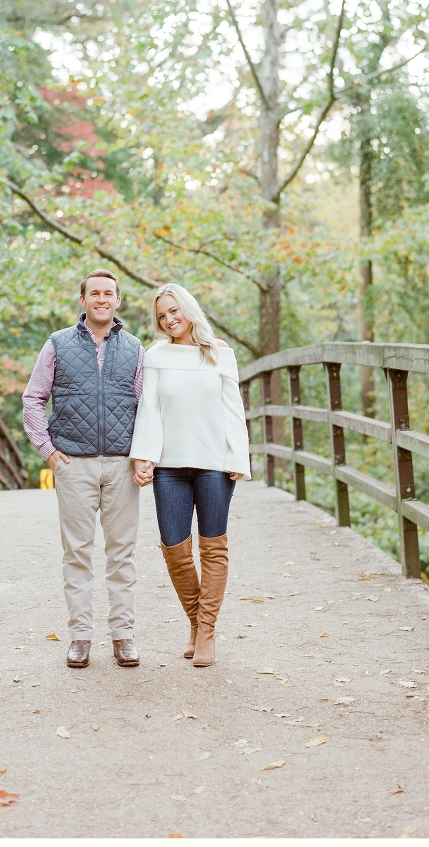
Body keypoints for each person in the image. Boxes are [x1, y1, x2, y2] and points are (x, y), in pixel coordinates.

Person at [22, 270, 144, 669]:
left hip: (122, 465)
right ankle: (80, 637)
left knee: (122, 554)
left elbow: (148, 409)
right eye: (95, 293)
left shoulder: (135, 348)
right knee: (77, 554)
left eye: (109, 293)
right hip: (74, 465)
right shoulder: (57, 344)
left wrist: (144, 455)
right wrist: (49, 452)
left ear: (118, 301)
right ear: (83, 300)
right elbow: (33, 399)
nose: (102, 299)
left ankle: (123, 636)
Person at [129, 283, 250, 667]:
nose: (169, 320)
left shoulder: (220, 354)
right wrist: (143, 456)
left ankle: (207, 633)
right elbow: (149, 410)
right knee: (175, 551)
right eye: (162, 316)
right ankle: (196, 624)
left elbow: (233, 408)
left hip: (214, 464)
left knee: (213, 548)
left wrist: (238, 457)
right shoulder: (155, 356)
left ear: (188, 309)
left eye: (173, 311)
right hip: (169, 467)